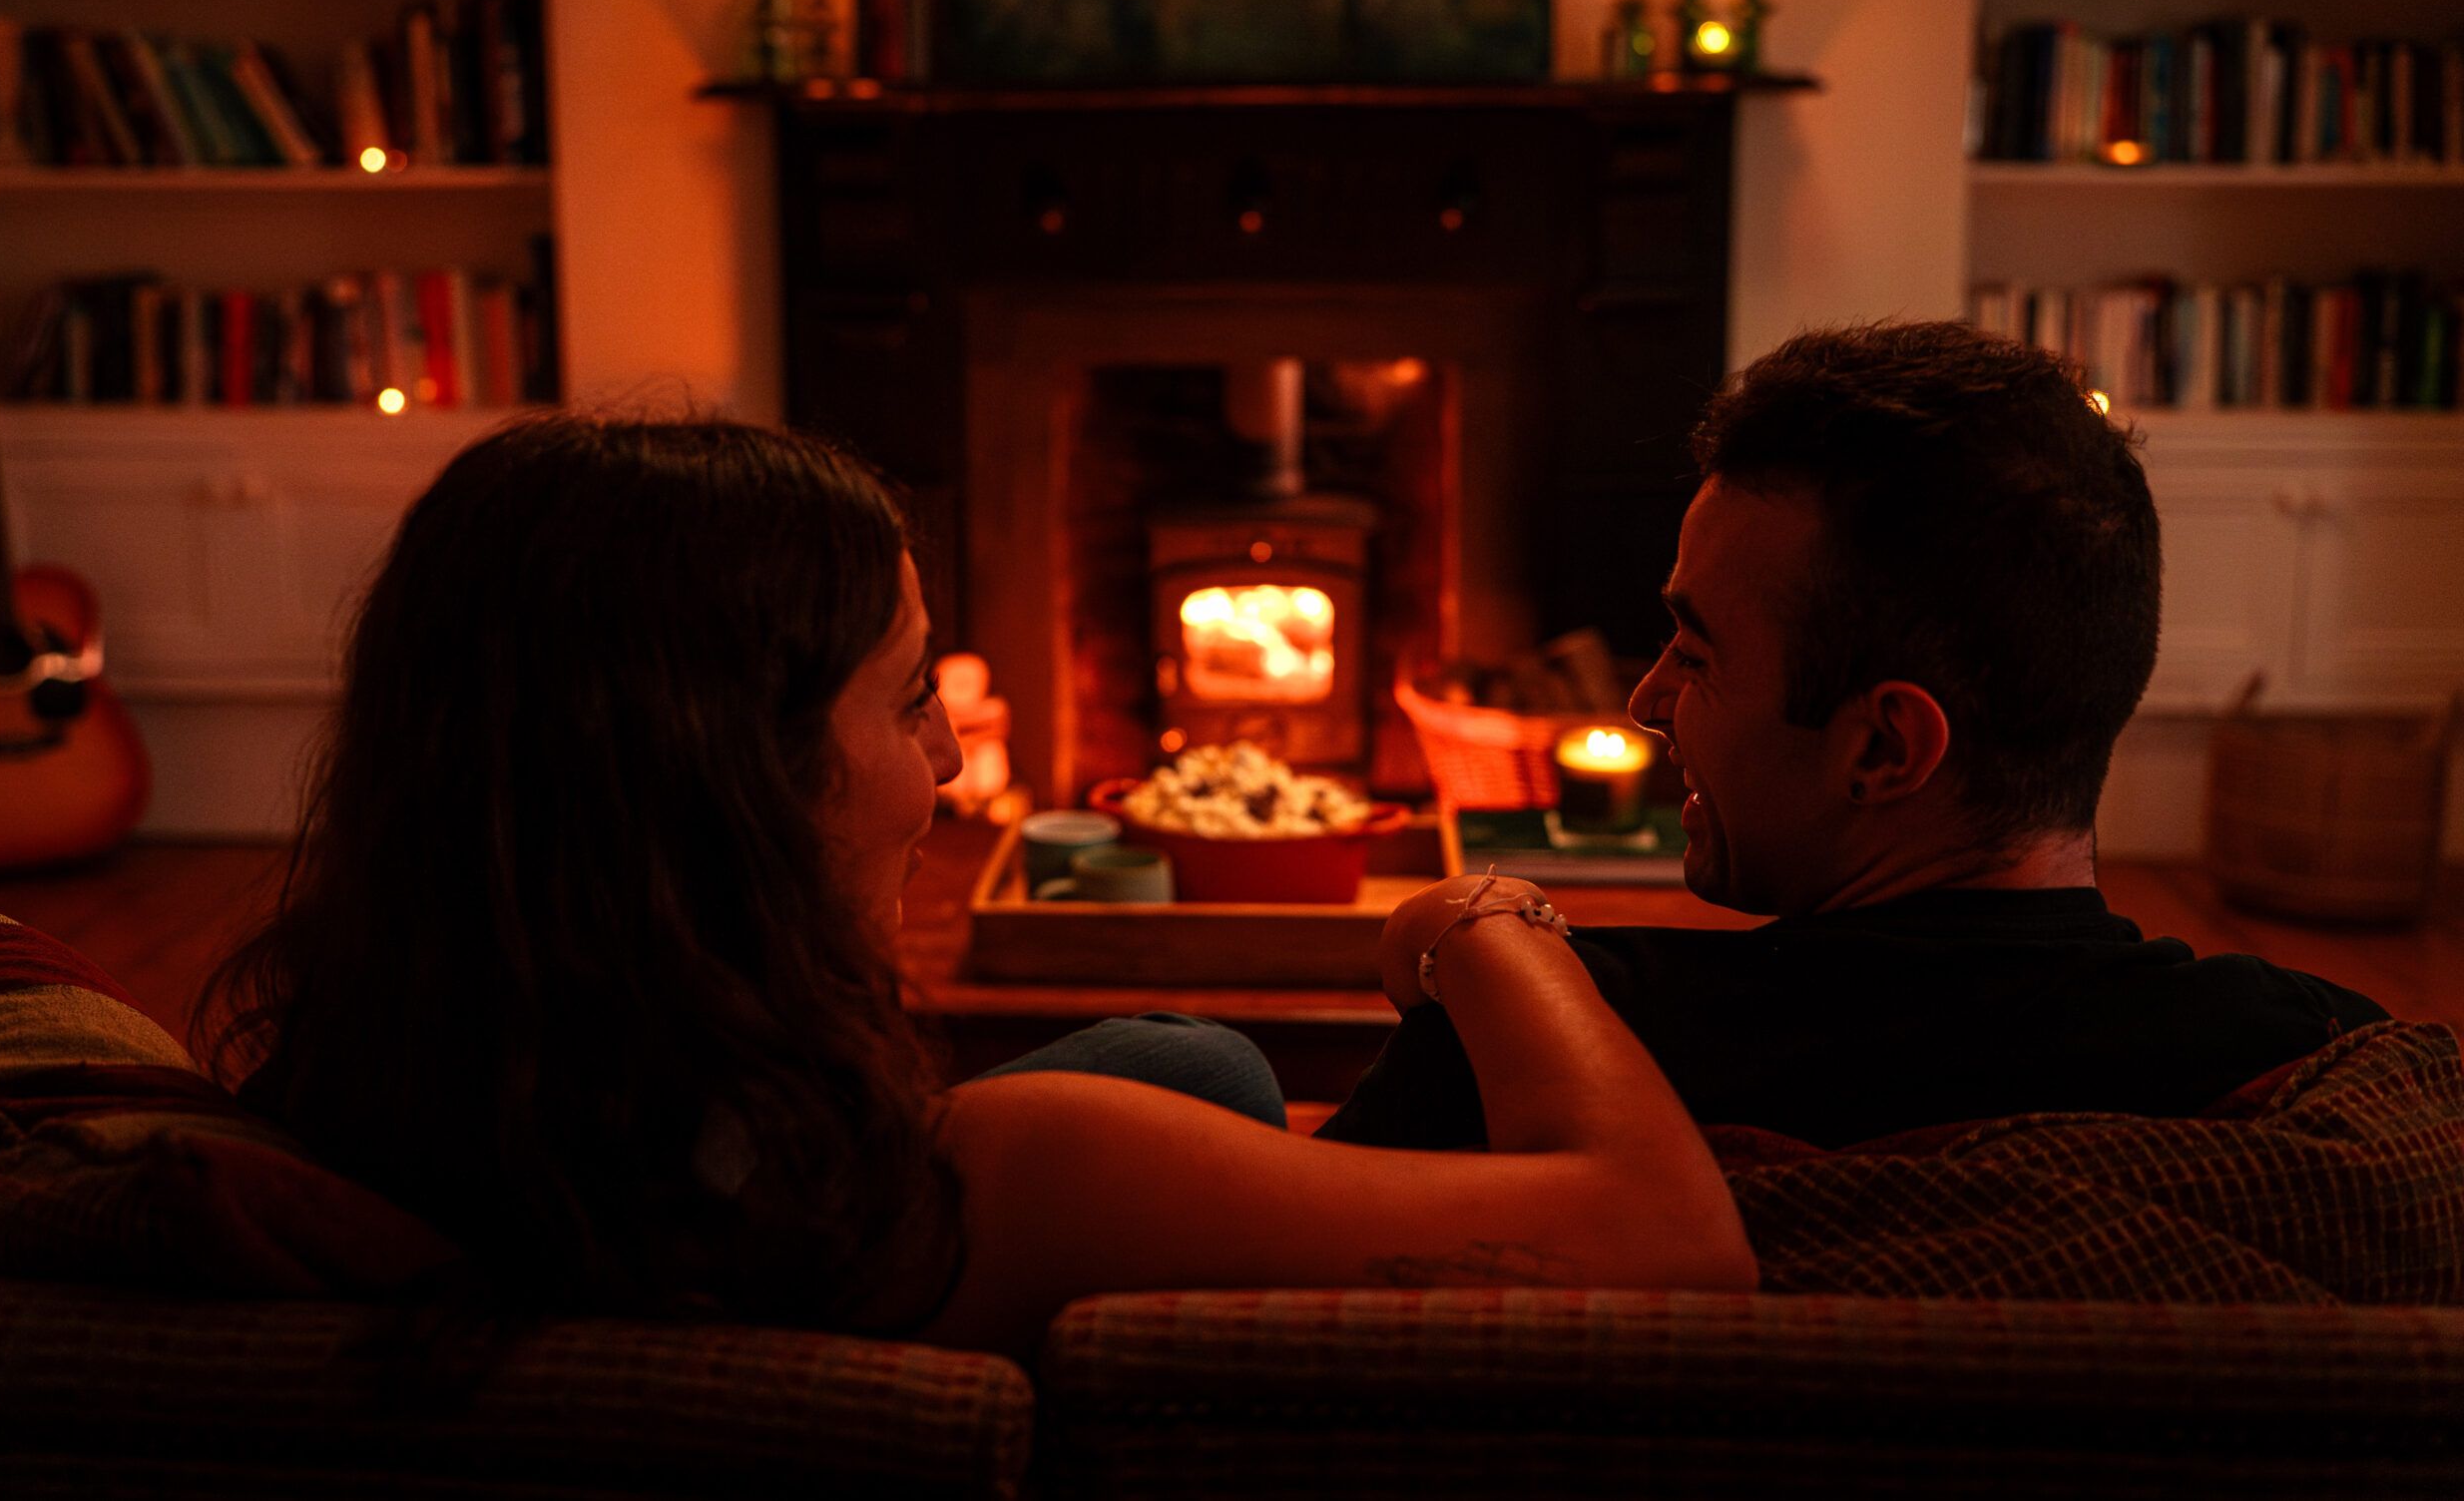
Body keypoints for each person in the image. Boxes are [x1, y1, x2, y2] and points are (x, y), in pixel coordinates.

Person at [197, 415, 1751, 1360]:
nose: (947, 760)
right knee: (1196, 1065)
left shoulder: (347, 1103)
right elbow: (1677, 1243)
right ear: (722, 777)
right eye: (905, 694)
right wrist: (1492, 919)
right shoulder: (1006, 1180)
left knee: (1176, 1057)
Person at [1322, 320, 2388, 1151]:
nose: (1645, 701)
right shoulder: (2324, 1068)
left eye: (1694, 656)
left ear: (1883, 748)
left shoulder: (1527, 1055)